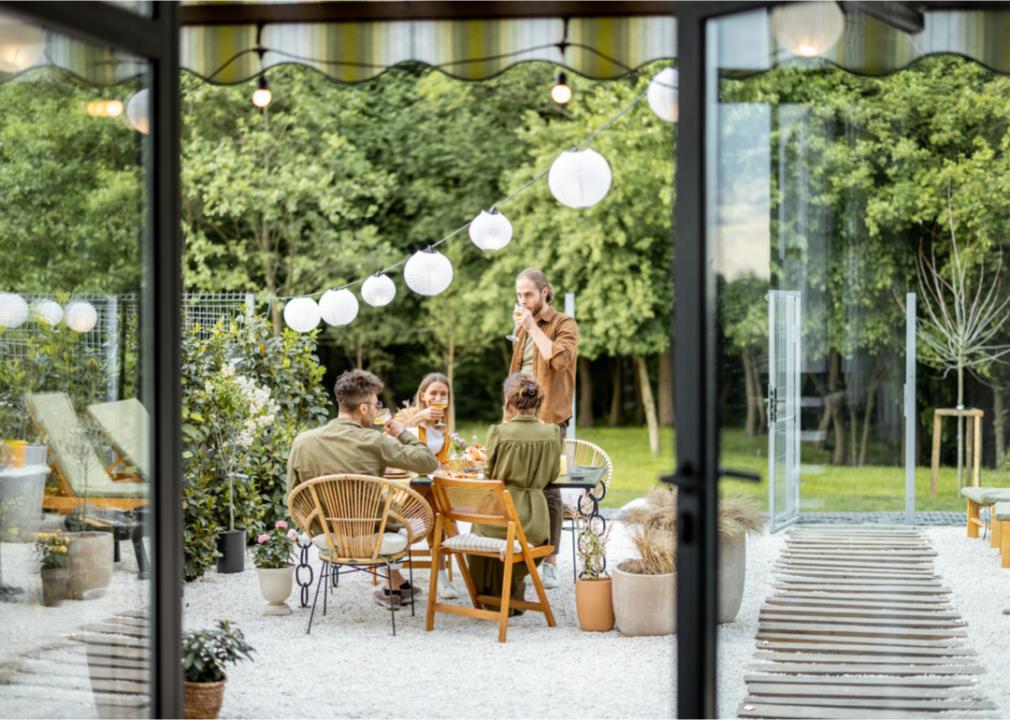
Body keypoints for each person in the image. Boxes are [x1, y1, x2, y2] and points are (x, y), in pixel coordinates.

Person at [287, 369, 439, 610]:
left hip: (327, 534)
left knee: (389, 512)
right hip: (375, 535)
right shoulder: (374, 441)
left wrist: (316, 524)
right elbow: (429, 462)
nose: (378, 410)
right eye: (377, 405)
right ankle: (394, 583)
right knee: (415, 519)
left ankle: (396, 584)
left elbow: (293, 496)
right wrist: (401, 432)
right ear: (364, 408)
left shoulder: (303, 442)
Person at [508, 267, 578, 588]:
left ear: (545, 292)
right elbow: (519, 368)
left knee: (549, 487)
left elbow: (558, 360)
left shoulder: (564, 324)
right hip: (517, 417)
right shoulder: (523, 325)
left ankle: (550, 561)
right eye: (519, 295)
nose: (523, 300)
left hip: (549, 418)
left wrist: (532, 326)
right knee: (515, 484)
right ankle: (522, 554)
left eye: (529, 295)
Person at [467, 373, 560, 606]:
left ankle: (491, 599)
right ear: (537, 402)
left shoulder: (499, 431)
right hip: (534, 524)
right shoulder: (552, 433)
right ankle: (511, 595)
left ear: (508, 403)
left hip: (498, 517)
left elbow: (488, 475)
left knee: (478, 529)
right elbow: (552, 476)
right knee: (516, 546)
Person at [395, 372, 460, 599]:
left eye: (444, 394)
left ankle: (440, 575)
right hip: (407, 488)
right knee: (430, 514)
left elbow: (440, 461)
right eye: (434, 393)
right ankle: (396, 574)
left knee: (439, 513)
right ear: (423, 395)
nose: (439, 397)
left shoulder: (443, 426)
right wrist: (418, 417)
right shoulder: (408, 416)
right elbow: (390, 437)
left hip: (430, 486)